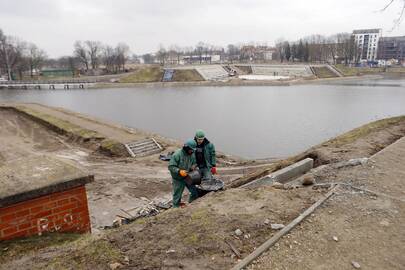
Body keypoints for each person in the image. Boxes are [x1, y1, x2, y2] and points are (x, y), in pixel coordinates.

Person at [168, 139, 199, 208]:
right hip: (178, 179)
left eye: (193, 150)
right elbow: (171, 166)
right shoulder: (177, 155)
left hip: (188, 176)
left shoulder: (192, 154)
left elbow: (195, 162)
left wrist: (193, 166)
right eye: (191, 150)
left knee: (194, 192)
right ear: (186, 148)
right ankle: (175, 208)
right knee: (177, 196)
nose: (192, 151)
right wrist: (179, 171)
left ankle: (191, 204)